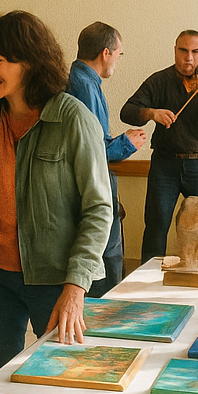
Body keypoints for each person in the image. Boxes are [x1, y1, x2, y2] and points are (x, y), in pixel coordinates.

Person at [0, 11, 112, 379]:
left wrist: (76, 286)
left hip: (54, 280)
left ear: (28, 62)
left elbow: (98, 209)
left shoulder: (73, 118)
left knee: (61, 384)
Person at [121, 30, 198, 263]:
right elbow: (127, 111)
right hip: (165, 163)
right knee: (157, 224)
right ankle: (148, 281)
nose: (188, 58)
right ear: (175, 51)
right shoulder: (159, 80)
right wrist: (151, 113)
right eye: (183, 51)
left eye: (195, 52)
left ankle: (196, 268)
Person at [65, 22, 147, 295]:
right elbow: (92, 151)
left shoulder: (84, 80)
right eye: (119, 54)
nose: (118, 61)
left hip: (90, 185)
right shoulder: (85, 86)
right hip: (94, 187)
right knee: (108, 258)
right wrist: (128, 144)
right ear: (105, 53)